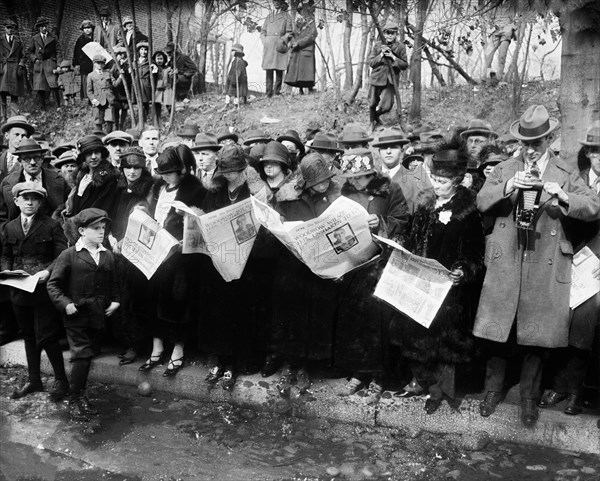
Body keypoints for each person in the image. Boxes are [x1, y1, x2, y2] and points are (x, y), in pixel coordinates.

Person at [474, 105, 600, 427]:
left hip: (545, 256)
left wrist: (565, 197)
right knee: (498, 327)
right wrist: (507, 186)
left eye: (537, 143)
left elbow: (594, 206)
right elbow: (482, 200)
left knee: (536, 332)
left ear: (549, 139)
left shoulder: (565, 171)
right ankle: (493, 389)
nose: (530, 150)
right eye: (525, 144)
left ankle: (529, 397)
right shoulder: (506, 167)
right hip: (509, 255)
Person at [334, 148, 410, 403]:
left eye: (359, 177)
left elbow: (402, 219)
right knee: (356, 320)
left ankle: (378, 378)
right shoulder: (346, 191)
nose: (354, 181)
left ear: (370, 173)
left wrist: (382, 223)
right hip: (355, 263)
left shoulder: (390, 190)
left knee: (379, 322)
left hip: (381, 264)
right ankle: (359, 373)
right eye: (351, 178)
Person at [538, 121, 600, 416]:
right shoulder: (576, 178)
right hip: (569, 257)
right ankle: (559, 384)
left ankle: (577, 389)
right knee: (558, 319)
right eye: (596, 152)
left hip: (597, 269)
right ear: (588, 154)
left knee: (585, 322)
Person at [269, 152, 341, 396]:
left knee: (314, 317)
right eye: (317, 183)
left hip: (321, 267)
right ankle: (291, 364)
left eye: (325, 180)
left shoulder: (335, 196)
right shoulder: (288, 198)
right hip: (293, 267)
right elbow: (276, 227)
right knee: (292, 317)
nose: (323, 186)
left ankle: (308, 366)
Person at [47, 208, 120, 421]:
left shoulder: (106, 255)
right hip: (76, 315)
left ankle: (78, 393)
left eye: (103, 228)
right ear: (81, 230)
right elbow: (54, 284)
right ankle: (75, 399)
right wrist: (65, 304)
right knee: (82, 356)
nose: (101, 232)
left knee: (89, 354)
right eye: (96, 228)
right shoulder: (69, 255)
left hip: (98, 315)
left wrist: (116, 301)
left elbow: (114, 282)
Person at [140, 146, 205, 377]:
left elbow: (199, 221)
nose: (166, 176)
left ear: (181, 171)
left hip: (180, 255)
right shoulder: (157, 188)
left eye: (171, 172)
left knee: (177, 302)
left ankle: (178, 349)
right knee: (153, 298)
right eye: (163, 172)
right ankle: (157, 347)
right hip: (156, 252)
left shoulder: (194, 189)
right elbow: (151, 212)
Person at [200, 145, 261, 390]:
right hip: (218, 258)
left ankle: (234, 364)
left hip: (245, 259)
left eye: (234, 171)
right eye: (225, 171)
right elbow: (205, 217)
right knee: (218, 312)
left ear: (244, 169)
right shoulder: (214, 191)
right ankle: (219, 360)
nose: (229, 176)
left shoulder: (252, 191)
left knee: (239, 312)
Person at [1, 182, 69, 401]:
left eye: (34, 199)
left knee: (47, 336)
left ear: (40, 203)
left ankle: (61, 381)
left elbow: (61, 255)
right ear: (17, 201)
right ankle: (34, 380)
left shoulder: (51, 225)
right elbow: (5, 254)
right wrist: (6, 271)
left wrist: (46, 273)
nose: (29, 202)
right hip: (18, 290)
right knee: (28, 336)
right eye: (25, 199)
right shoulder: (9, 227)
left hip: (42, 289)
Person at [111, 147, 154, 366]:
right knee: (119, 294)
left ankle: (137, 344)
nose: (132, 172)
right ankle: (123, 339)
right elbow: (111, 215)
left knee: (135, 297)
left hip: (138, 248)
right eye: (128, 167)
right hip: (116, 245)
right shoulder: (118, 187)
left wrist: (127, 240)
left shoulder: (149, 188)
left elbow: (147, 220)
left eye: (137, 167)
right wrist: (111, 237)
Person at [0, 138, 69, 224]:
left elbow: (68, 211)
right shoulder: (8, 182)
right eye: (27, 159)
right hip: (19, 235)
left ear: (42, 159)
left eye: (36, 158)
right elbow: (2, 216)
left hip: (50, 234)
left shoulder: (59, 181)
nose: (32, 162)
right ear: (20, 161)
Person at [372, 127, 433, 215]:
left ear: (401, 150)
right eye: (384, 148)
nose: (388, 152)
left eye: (393, 147)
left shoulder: (414, 179)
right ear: (379, 151)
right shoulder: (372, 177)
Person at [66, 135, 120, 221]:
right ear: (83, 156)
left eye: (97, 152)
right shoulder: (82, 175)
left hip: (95, 225)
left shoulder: (108, 178)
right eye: (89, 153)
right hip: (79, 224)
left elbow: (103, 208)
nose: (94, 157)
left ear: (102, 154)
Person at [368, 20, 407, 128]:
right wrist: (381, 55)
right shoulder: (377, 45)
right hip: (377, 77)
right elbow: (371, 62)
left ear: (396, 34)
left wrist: (393, 57)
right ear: (384, 34)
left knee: (387, 106)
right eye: (387, 33)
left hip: (391, 79)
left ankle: (375, 116)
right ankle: (371, 124)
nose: (390, 35)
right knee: (372, 103)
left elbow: (404, 65)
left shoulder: (400, 47)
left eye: (392, 33)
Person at [27, 17, 62, 110]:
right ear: (39, 28)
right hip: (39, 64)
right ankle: (43, 108)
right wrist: (34, 59)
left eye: (45, 26)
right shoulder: (35, 38)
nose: (44, 28)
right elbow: (29, 52)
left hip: (50, 63)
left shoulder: (53, 37)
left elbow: (58, 51)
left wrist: (58, 64)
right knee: (40, 87)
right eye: (42, 26)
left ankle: (58, 106)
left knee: (54, 85)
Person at [261, 0, 293, 98]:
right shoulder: (269, 16)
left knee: (279, 68)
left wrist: (283, 39)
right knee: (269, 69)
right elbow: (263, 31)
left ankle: (276, 92)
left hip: (280, 44)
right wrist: (265, 41)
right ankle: (268, 93)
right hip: (269, 46)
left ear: (282, 3)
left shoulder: (287, 16)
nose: (276, 3)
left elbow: (289, 32)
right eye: (274, 1)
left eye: (278, 1)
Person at [284, 12, 317, 94]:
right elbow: (292, 35)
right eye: (300, 10)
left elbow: (312, 35)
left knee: (307, 72)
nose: (302, 12)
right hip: (297, 50)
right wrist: (293, 43)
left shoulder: (311, 23)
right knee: (297, 71)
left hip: (306, 49)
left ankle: (310, 89)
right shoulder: (296, 23)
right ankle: (300, 90)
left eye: (304, 10)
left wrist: (299, 43)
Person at [0, 19, 26, 123]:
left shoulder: (19, 42)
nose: (10, 30)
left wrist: (20, 65)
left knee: (14, 95)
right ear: (5, 28)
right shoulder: (0, 41)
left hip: (15, 70)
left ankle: (13, 118)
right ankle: (3, 117)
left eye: (11, 28)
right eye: (8, 28)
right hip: (3, 69)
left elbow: (24, 56)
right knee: (2, 94)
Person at [0, 115, 34, 182]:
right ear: (7, 135)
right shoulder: (1, 158)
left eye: (23, 135)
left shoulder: (31, 161)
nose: (20, 139)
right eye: (17, 134)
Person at [87, 55, 114, 134]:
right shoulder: (91, 75)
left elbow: (113, 85)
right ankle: (99, 137)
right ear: (94, 64)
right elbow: (89, 91)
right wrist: (94, 100)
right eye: (98, 63)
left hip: (109, 99)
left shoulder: (107, 73)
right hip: (98, 100)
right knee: (98, 120)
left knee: (110, 119)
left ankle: (108, 137)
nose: (100, 65)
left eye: (102, 63)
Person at [72, 20, 95, 100]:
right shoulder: (80, 39)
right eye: (85, 28)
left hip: (94, 62)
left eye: (89, 28)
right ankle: (86, 97)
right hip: (84, 63)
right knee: (86, 80)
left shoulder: (95, 38)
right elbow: (76, 52)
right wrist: (77, 64)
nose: (87, 30)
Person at [110, 46, 131, 131]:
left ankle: (122, 125)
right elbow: (113, 82)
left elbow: (130, 80)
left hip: (125, 93)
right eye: (119, 55)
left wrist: (126, 73)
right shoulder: (113, 68)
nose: (121, 57)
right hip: (116, 93)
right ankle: (116, 126)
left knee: (124, 109)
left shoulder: (127, 67)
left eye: (123, 55)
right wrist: (119, 76)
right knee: (116, 110)